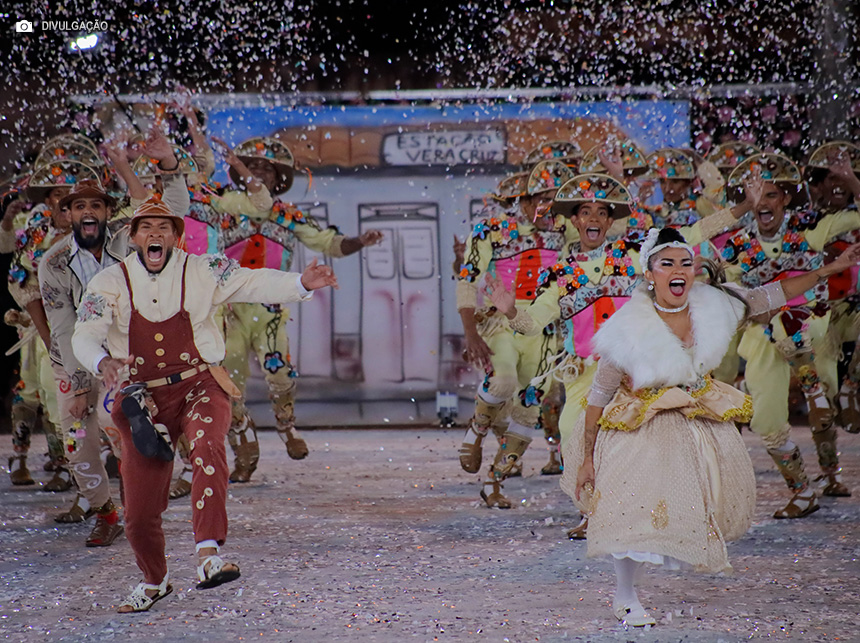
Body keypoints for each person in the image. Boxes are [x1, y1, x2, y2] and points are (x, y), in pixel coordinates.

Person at [561, 227, 860, 627]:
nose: (677, 270)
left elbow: (774, 294)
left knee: (690, 504)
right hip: (641, 423)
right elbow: (598, 394)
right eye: (666, 264)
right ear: (649, 274)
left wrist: (828, 271)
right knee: (632, 508)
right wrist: (586, 457)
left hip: (695, 415)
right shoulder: (627, 326)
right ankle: (625, 595)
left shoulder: (715, 304)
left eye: (685, 262)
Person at [71, 196, 339, 613]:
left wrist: (300, 284)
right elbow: (85, 333)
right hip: (144, 399)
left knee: (208, 447)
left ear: (177, 237)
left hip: (200, 383)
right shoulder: (108, 282)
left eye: (164, 228)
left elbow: (252, 282)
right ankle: (154, 581)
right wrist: (101, 360)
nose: (155, 234)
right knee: (138, 515)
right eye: (147, 228)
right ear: (134, 238)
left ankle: (208, 554)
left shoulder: (203, 268)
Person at [487, 172, 749, 537]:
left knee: (649, 437)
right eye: (585, 212)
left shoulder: (633, 253)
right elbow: (534, 323)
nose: (593, 218)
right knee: (572, 433)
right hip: (584, 373)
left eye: (601, 213)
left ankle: (671, 509)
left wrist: (744, 207)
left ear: (611, 222)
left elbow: (693, 234)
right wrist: (511, 311)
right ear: (573, 220)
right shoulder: (559, 274)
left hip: (639, 366)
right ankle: (592, 510)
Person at [202, 136, 382, 485]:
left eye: (266, 169)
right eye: (251, 167)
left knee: (281, 375)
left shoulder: (288, 216)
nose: (258, 173)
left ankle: (286, 427)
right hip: (228, 312)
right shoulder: (223, 207)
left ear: (277, 179)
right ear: (241, 176)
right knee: (227, 385)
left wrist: (360, 241)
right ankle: (245, 450)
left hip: (269, 313)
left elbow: (328, 242)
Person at [38, 127, 188, 544]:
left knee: (123, 428)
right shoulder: (52, 264)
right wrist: (82, 380)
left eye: (97, 206)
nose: (88, 212)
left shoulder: (130, 240)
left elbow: (172, 208)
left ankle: (140, 508)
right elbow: (64, 325)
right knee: (77, 440)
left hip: (125, 355)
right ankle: (106, 514)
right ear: (68, 215)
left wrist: (164, 163)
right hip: (72, 358)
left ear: (108, 212)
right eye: (79, 206)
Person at [720, 153, 860, 515]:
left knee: (824, 399)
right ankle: (802, 492)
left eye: (771, 195)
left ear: (784, 198)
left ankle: (830, 473)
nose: (763, 203)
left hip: (812, 325)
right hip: (762, 335)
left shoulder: (810, 227)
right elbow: (730, 292)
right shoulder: (735, 245)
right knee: (765, 419)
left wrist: (852, 181)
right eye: (755, 196)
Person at [456, 161, 575, 508]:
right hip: (500, 323)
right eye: (542, 199)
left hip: (544, 329)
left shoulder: (566, 230)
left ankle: (494, 482)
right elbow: (467, 279)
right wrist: (470, 334)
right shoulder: (492, 229)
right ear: (524, 200)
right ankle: (475, 432)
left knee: (527, 409)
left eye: (556, 201)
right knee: (504, 382)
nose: (548, 208)